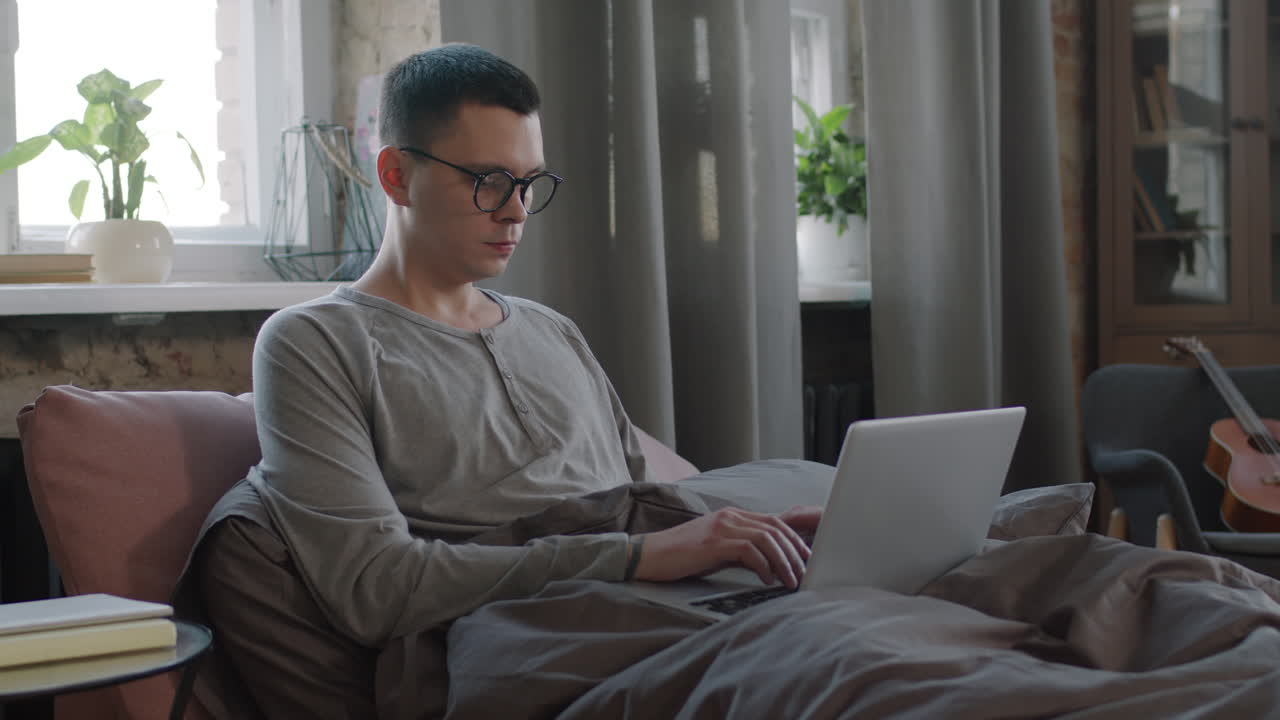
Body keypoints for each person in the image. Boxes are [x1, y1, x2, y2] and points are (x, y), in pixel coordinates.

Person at [187, 43, 821, 717]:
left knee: (893, 617)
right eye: (488, 181)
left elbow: (642, 502)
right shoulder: (315, 342)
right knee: (855, 670)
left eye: (529, 184)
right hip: (537, 646)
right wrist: (640, 557)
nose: (516, 211)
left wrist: (752, 537)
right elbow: (376, 588)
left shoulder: (552, 330)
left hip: (679, 617)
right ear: (397, 175)